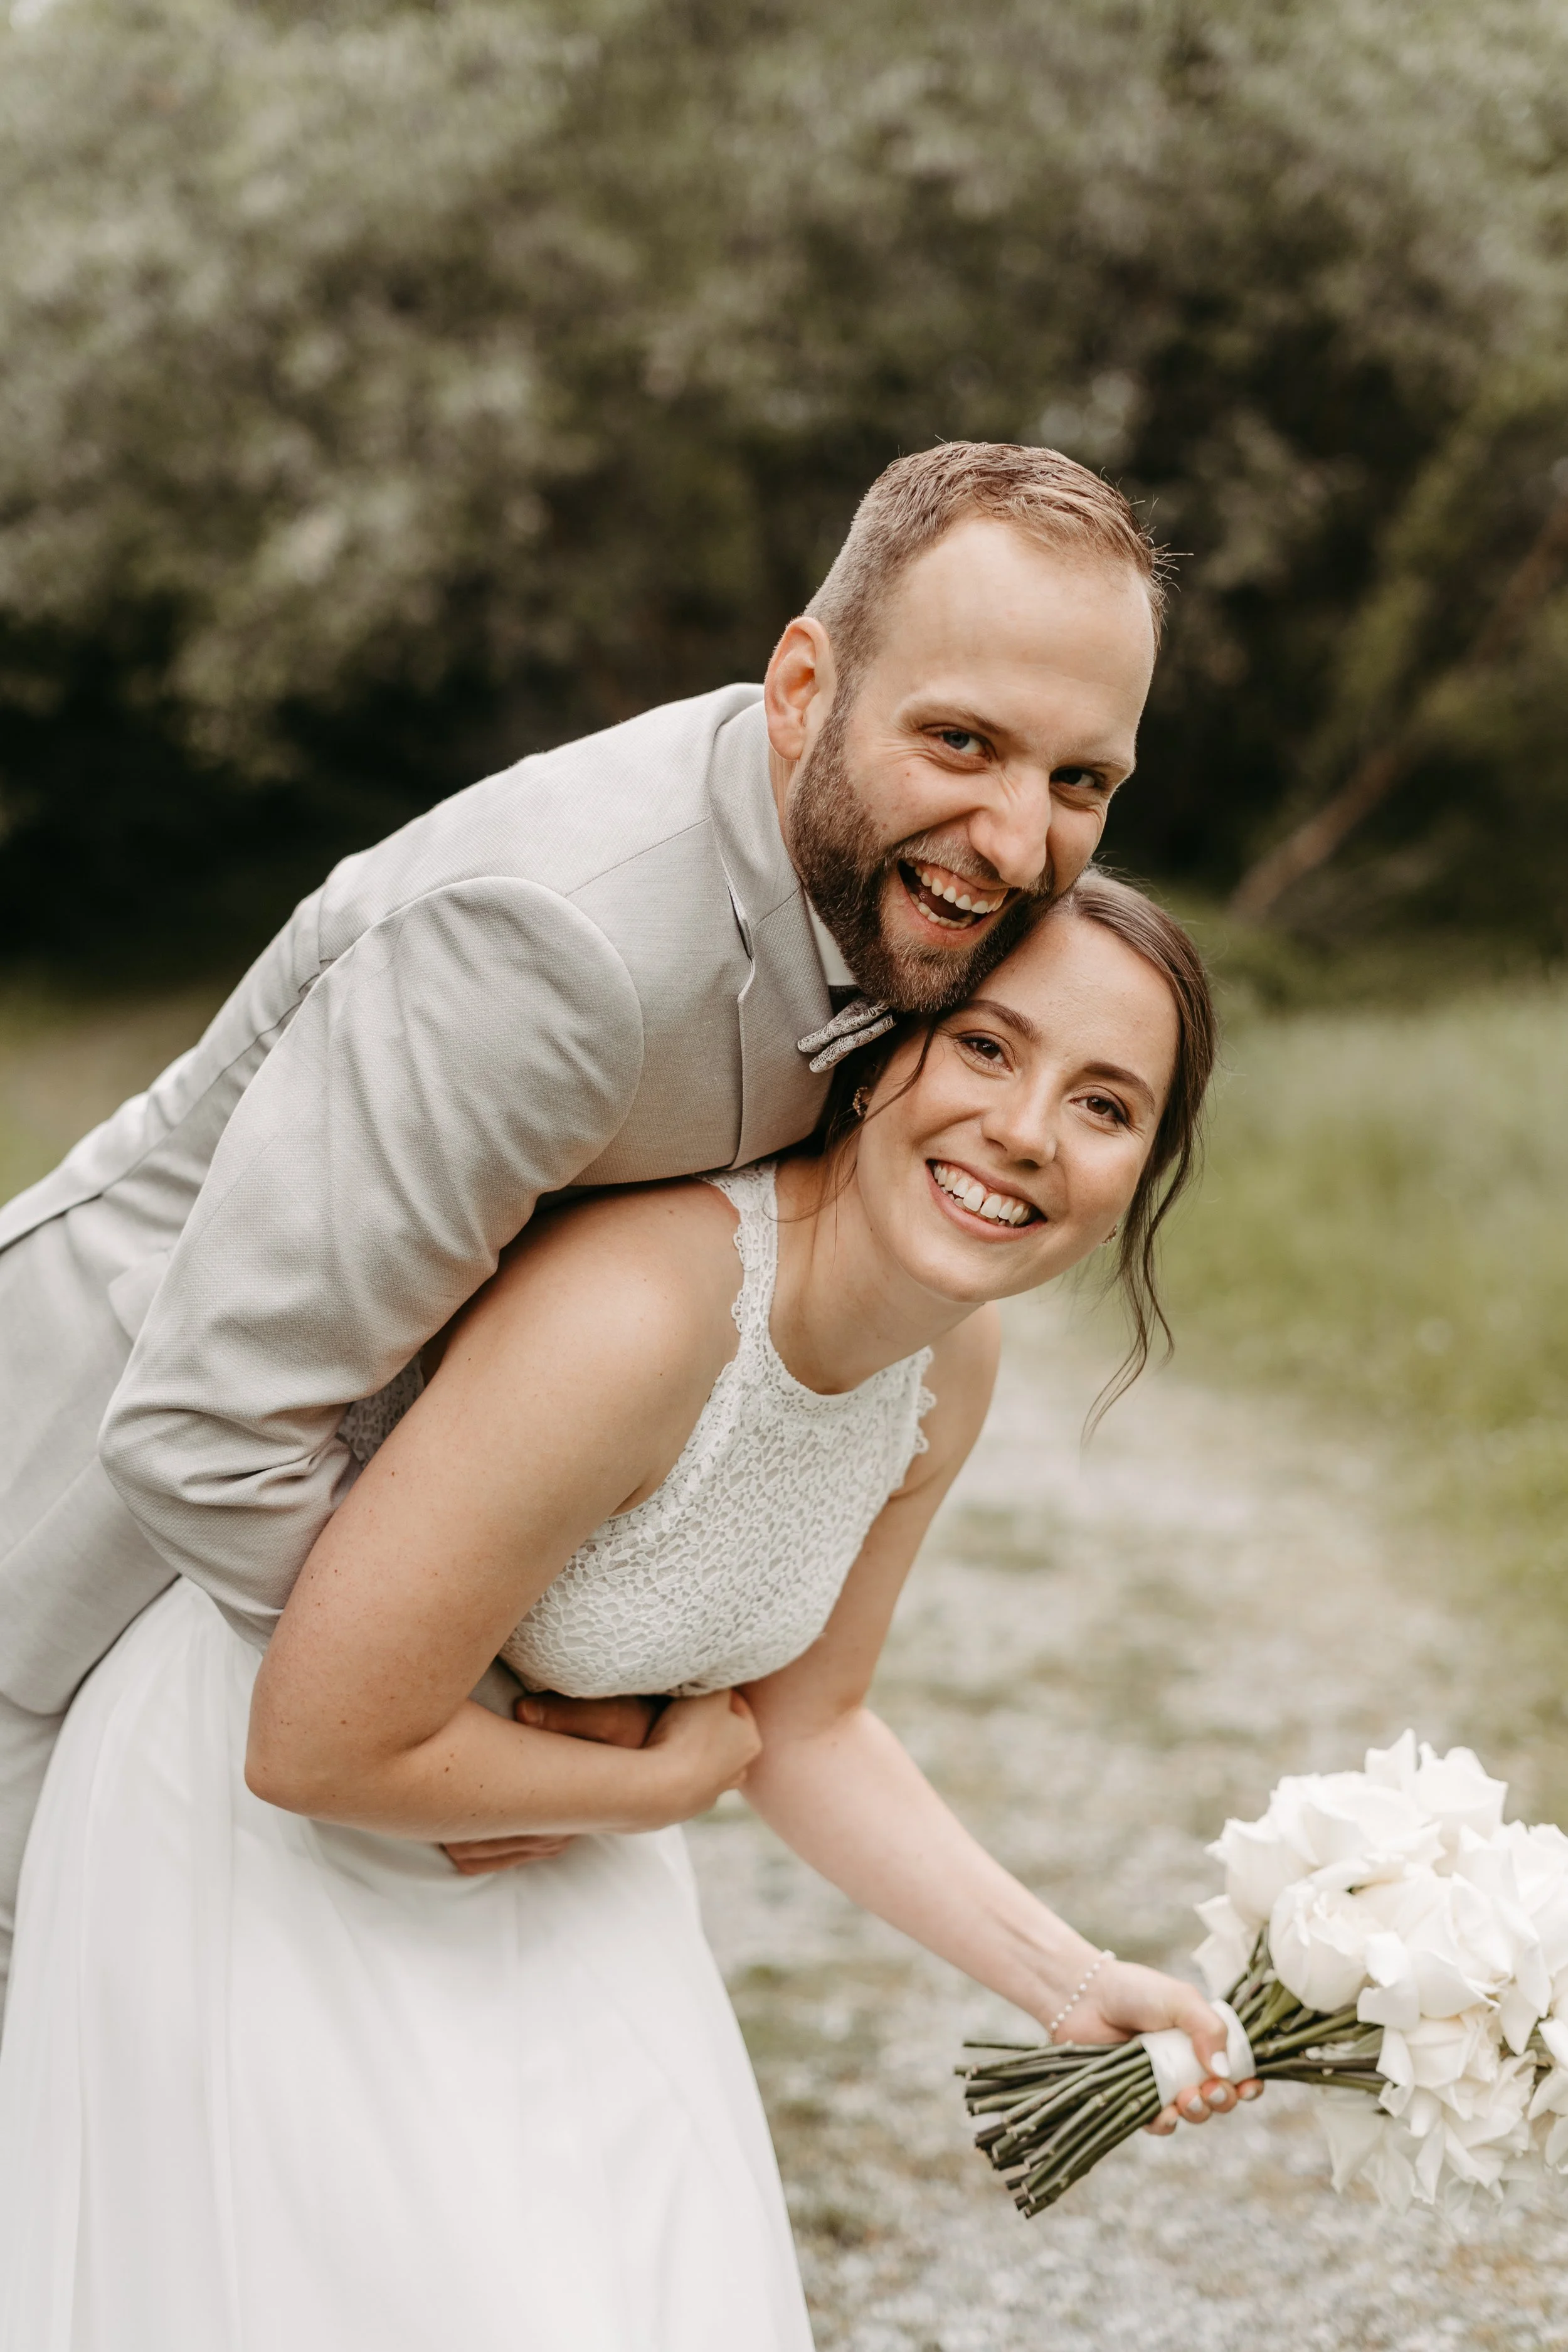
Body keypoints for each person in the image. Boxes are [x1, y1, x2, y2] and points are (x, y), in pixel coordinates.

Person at [0, 874, 1256, 2349]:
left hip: (547, 1835)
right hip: (255, 1817)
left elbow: (809, 1720)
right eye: (984, 1047)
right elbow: (313, 1746)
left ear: (1138, 1175)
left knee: (655, 2290)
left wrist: (1071, 1978)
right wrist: (653, 1782)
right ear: (878, 1051)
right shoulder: (641, 1310)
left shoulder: (948, 1364)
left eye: (1104, 1107)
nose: (1026, 1132)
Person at [0, 442, 1166, 1998]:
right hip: (77, 1546)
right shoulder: (556, 951)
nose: (1020, 846)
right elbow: (209, 1428)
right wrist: (489, 1714)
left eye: (1077, 781)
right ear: (801, 688)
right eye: (962, 742)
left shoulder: (891, 899)